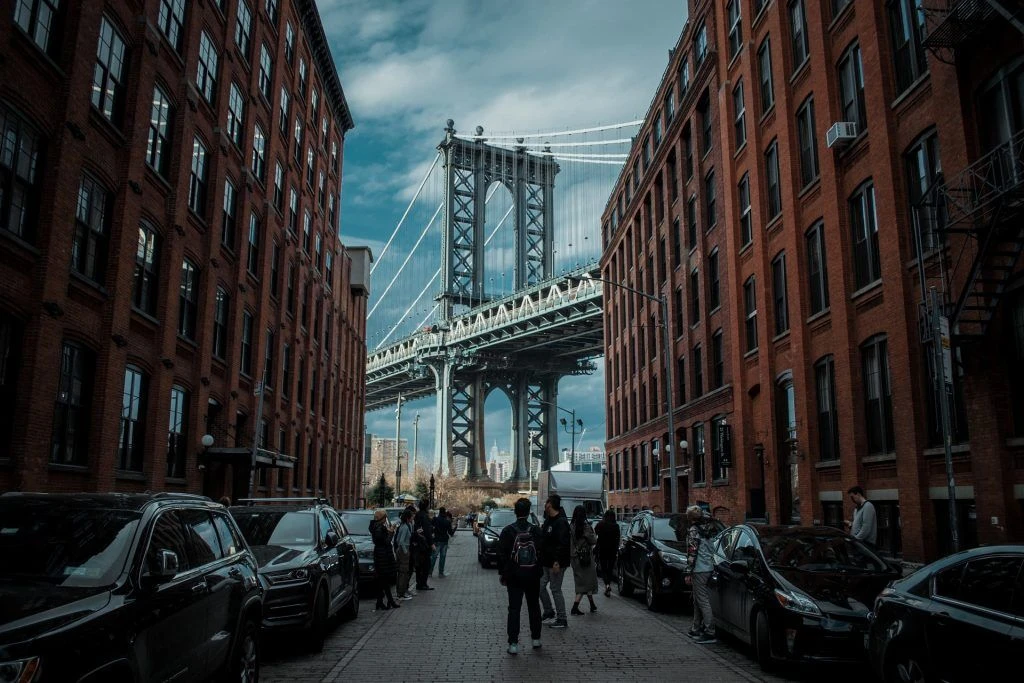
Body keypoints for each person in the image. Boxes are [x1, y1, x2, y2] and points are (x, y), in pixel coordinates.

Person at [498, 497, 544, 655]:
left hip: (514, 576)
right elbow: (542, 553)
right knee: (534, 607)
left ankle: (513, 643)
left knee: (514, 609)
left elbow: (502, 556)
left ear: (515, 512)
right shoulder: (536, 530)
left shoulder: (508, 531)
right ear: (529, 512)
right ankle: (536, 639)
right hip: (532, 575)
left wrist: (504, 574)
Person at [538, 494, 571, 629]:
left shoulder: (561, 522)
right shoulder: (548, 521)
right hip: (545, 562)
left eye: (546, 503)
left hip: (556, 563)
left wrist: (557, 561)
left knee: (555, 589)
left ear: (550, 504)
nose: (545, 505)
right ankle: (548, 610)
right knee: (539, 586)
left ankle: (562, 618)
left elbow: (563, 544)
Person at [686, 505, 717, 643]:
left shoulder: (693, 531)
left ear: (690, 517)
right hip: (709, 566)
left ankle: (710, 632)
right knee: (697, 600)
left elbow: (692, 551)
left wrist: (688, 571)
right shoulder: (709, 529)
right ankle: (696, 627)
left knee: (702, 600)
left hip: (699, 568)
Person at [568, 505, 598, 615]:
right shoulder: (585, 527)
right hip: (585, 558)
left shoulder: (571, 526)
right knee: (585, 582)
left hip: (573, 557)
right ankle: (575, 607)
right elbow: (593, 540)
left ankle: (592, 605)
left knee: (583, 581)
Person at [369, 509, 400, 611]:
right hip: (382, 555)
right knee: (384, 579)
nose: (386, 519)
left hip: (381, 554)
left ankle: (380, 602)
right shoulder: (378, 528)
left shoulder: (377, 527)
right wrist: (391, 532)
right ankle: (389, 601)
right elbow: (385, 542)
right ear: (382, 518)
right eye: (385, 517)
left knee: (381, 580)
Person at [594, 509, 621, 597]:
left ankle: (607, 585)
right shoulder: (616, 526)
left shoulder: (601, 524)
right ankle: (608, 585)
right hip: (612, 551)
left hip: (602, 550)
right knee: (610, 569)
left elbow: (595, 531)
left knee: (604, 569)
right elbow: (618, 539)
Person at [413, 498, 436, 590]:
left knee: (419, 565)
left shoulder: (417, 515)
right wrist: (431, 544)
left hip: (418, 543)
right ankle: (423, 584)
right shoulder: (424, 516)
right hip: (424, 545)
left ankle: (419, 583)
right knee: (426, 565)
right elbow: (427, 531)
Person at [394, 508, 415, 600]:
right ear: (408, 518)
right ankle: (401, 593)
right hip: (404, 551)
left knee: (401, 572)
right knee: (403, 573)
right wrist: (405, 551)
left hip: (401, 550)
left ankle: (400, 592)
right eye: (411, 516)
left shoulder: (403, 525)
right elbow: (401, 541)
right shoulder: (406, 527)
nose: (413, 518)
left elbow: (398, 539)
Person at [431, 506, 455, 577]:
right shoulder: (447, 521)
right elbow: (451, 533)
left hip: (437, 540)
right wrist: (454, 527)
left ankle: (430, 572)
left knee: (434, 556)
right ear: (444, 512)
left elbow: (431, 528)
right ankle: (441, 573)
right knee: (442, 557)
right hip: (444, 540)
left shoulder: (435, 519)